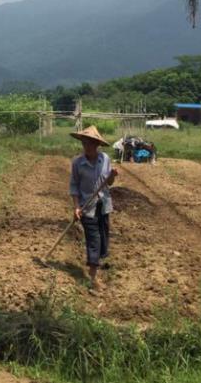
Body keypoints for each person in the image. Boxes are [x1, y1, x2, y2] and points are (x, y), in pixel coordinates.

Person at [69, 125, 119, 292]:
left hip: (103, 204)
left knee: (103, 238)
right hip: (86, 207)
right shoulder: (78, 163)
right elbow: (74, 186)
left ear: (97, 144)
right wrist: (76, 207)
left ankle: (96, 264)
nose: (88, 146)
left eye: (91, 143)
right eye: (85, 142)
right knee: (94, 239)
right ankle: (93, 277)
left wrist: (112, 176)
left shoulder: (104, 159)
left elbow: (109, 183)